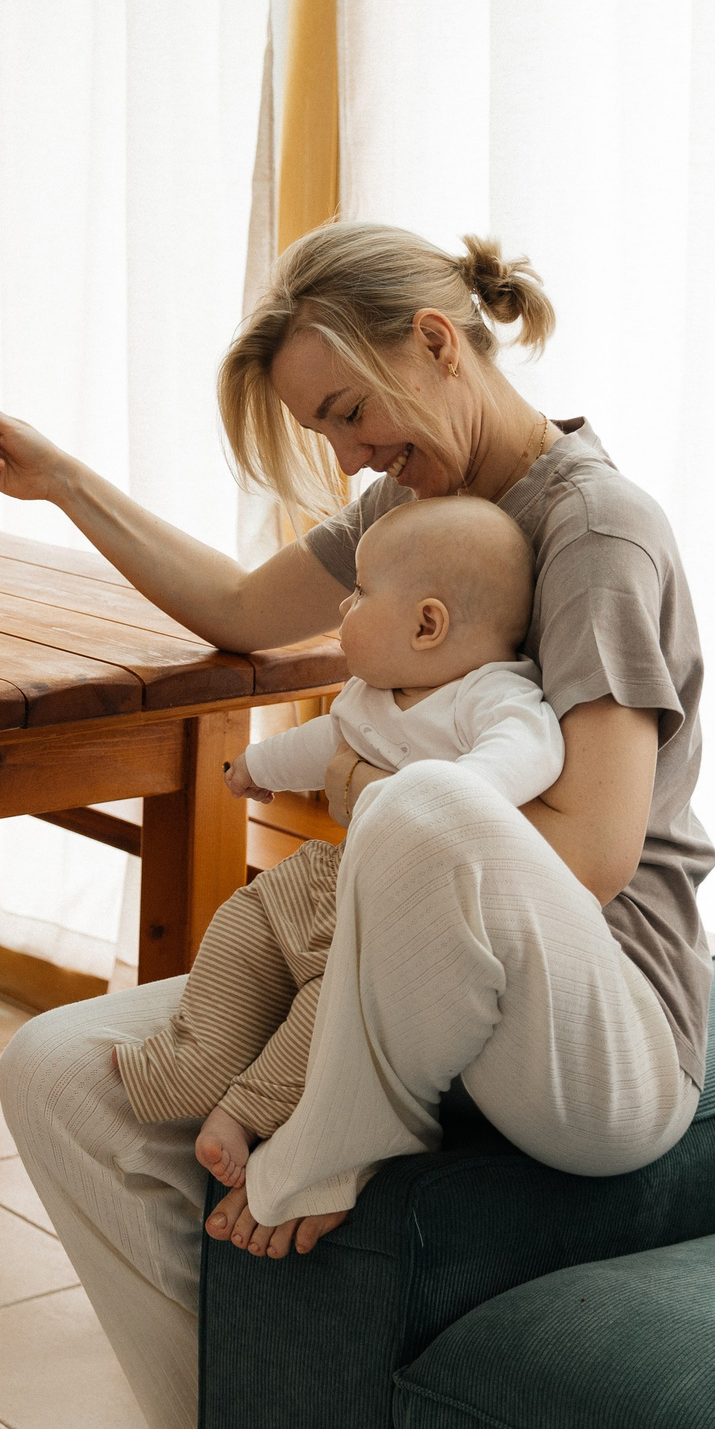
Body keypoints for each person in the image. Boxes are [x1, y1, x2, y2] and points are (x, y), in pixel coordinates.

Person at [0, 222, 713, 1429]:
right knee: (57, 1075)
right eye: (327, 432)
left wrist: (375, 801)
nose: (350, 454)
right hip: (432, 973)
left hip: (602, 1027)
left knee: (421, 810)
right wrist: (62, 481)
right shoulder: (420, 512)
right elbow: (244, 612)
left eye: (351, 412)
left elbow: (587, 851)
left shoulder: (594, 531)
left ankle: (335, 1132)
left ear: (434, 342)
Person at [112, 496, 562, 1192]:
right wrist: (258, 767)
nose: (344, 609)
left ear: (426, 623)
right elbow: (328, 742)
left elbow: (526, 752)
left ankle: (243, 1108)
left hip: (379, 916)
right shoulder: (371, 693)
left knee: (326, 1020)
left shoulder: (492, 697)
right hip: (318, 879)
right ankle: (182, 1069)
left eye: (358, 594)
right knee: (241, 923)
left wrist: (450, 799)